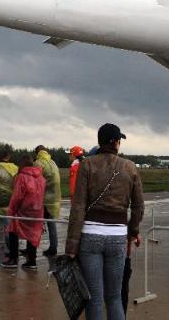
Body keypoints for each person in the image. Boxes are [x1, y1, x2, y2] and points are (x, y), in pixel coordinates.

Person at [66, 123, 144, 320]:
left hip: (90, 236)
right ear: (116, 143)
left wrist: (71, 246)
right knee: (115, 297)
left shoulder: (87, 165)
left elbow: (78, 207)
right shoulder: (130, 167)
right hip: (117, 236)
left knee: (94, 298)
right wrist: (132, 231)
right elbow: (138, 206)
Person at [1, 154, 45, 269]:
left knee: (13, 230)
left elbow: (17, 196)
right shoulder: (41, 177)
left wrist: (11, 210)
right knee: (33, 234)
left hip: (23, 210)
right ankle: (32, 260)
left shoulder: (21, 176)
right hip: (37, 210)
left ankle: (13, 258)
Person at [34, 145, 61, 256]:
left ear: (37, 153)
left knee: (35, 224)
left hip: (43, 198)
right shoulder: (53, 162)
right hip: (54, 198)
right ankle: (54, 247)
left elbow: (35, 181)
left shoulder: (38, 163)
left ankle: (32, 249)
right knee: (51, 224)